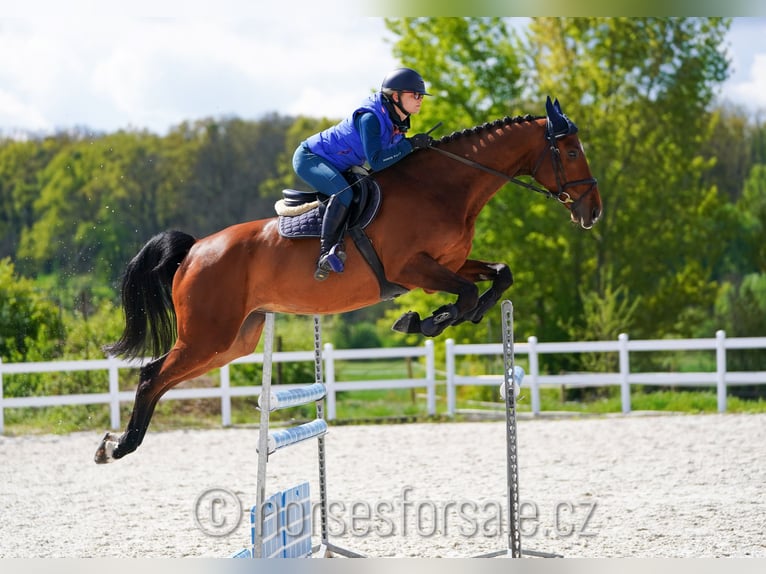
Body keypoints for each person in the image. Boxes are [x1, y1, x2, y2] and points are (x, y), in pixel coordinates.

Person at [292, 67, 434, 281]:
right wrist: (411, 145)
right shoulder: (371, 118)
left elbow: (392, 159)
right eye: (415, 94)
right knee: (344, 194)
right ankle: (326, 252)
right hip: (310, 157)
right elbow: (377, 161)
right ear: (395, 96)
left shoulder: (398, 120)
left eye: (421, 95)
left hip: (338, 162)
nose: (420, 99)